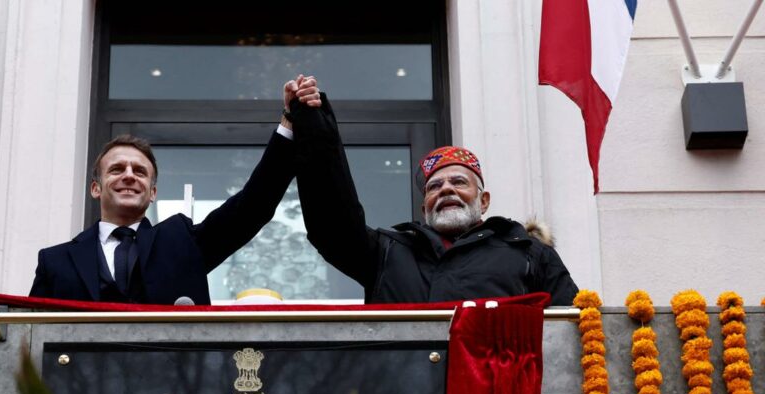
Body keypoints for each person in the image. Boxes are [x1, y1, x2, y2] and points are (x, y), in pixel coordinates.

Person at [29, 77, 322, 304]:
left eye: (140, 171)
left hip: (173, 380)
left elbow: (251, 207)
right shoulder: (55, 261)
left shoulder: (181, 242)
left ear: (152, 193)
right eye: (117, 169)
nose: (129, 176)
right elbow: (28, 342)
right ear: (96, 187)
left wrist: (289, 124)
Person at [288, 89, 579, 305]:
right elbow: (332, 226)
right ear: (424, 206)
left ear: (484, 200)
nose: (446, 190)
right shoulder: (387, 252)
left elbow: (569, 331)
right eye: (434, 187)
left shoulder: (528, 252)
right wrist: (314, 125)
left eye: (458, 182)